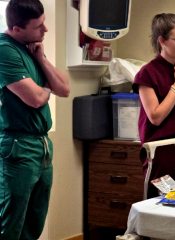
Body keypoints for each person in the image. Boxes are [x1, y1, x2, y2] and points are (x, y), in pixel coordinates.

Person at [0, 0, 70, 239]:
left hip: (41, 146)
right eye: (38, 26)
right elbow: (35, 98)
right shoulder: (4, 49)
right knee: (11, 224)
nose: (45, 30)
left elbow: (64, 88)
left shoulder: (31, 47)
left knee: (34, 222)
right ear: (17, 28)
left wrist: (41, 59)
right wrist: (46, 88)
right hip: (18, 146)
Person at [132, 13, 175, 198]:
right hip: (163, 151)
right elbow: (155, 117)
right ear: (162, 41)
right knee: (161, 202)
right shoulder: (148, 73)